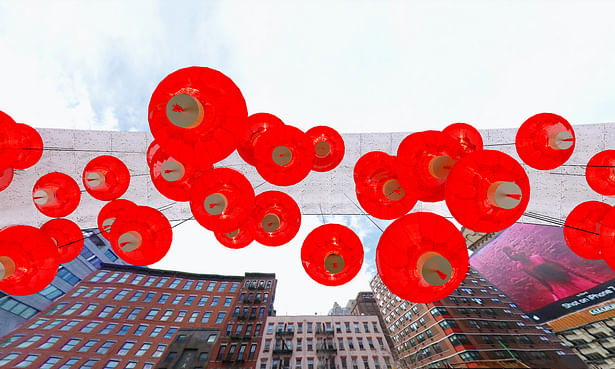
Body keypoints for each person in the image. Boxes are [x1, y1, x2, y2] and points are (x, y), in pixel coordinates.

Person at [502, 246, 602, 301]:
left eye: (513, 250)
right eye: (510, 253)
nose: (514, 253)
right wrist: (550, 289)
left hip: (565, 276)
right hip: (555, 283)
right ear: (512, 257)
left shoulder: (537, 257)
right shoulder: (522, 267)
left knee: (589, 288)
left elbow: (557, 265)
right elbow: (538, 278)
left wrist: (574, 273)